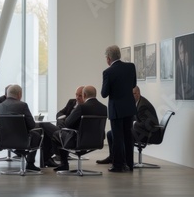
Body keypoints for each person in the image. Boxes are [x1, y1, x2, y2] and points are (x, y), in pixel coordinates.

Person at [40, 86, 107, 171]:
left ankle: (62, 163)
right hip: (97, 140)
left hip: (77, 140)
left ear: (84, 95)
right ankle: (50, 160)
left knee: (56, 134)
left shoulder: (82, 107)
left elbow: (68, 123)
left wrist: (63, 120)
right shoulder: (104, 108)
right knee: (59, 133)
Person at [97, 86, 158, 164]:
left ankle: (127, 160)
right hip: (143, 131)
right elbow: (134, 118)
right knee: (110, 133)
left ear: (138, 94)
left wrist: (130, 125)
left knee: (125, 134)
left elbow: (146, 124)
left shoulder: (143, 105)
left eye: (133, 94)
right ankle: (113, 158)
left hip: (149, 133)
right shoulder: (137, 102)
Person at [101, 45, 137, 173]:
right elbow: (134, 85)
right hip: (129, 108)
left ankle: (118, 165)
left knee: (117, 138)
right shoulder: (131, 67)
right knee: (128, 136)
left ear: (109, 58)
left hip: (116, 109)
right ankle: (129, 164)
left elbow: (104, 93)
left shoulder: (108, 72)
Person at [0, 84, 42, 171]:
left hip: (4, 140)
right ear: (19, 94)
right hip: (21, 139)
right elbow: (31, 125)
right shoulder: (22, 105)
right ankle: (30, 163)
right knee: (37, 133)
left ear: (7, 94)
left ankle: (19, 151)